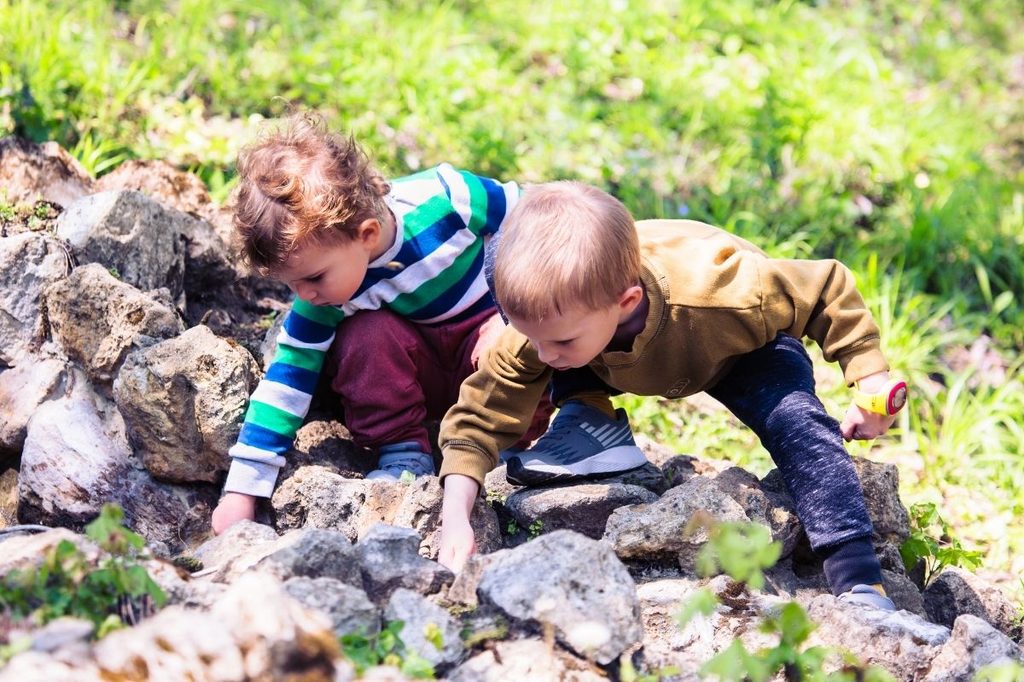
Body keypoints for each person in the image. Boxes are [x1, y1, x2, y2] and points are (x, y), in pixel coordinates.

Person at [437, 181, 909, 611]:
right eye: (530, 336)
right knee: (555, 357)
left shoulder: (727, 294)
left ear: (624, 303)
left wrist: (869, 376)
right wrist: (456, 515)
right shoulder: (553, 326)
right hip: (607, 351)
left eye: (558, 341)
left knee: (797, 422)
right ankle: (590, 420)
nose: (542, 353)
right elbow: (480, 415)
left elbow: (826, 286)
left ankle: (858, 577)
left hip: (739, 351)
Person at [210, 115, 633, 534]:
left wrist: (523, 312)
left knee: (516, 335)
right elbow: (287, 380)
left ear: (367, 233)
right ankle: (404, 452)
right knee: (365, 335)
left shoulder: (449, 200)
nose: (304, 295)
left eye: (314, 278)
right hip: (420, 375)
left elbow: (548, 223)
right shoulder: (325, 298)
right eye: (292, 284)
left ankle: (507, 445)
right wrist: (242, 492)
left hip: (488, 356)